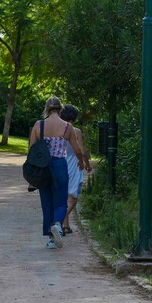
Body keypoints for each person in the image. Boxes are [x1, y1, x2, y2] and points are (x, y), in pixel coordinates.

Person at [29, 96, 84, 249]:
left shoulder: (38, 125)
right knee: (61, 201)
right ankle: (58, 224)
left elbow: (31, 150)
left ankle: (52, 238)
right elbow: (77, 149)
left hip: (43, 168)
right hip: (60, 165)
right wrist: (80, 161)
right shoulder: (67, 127)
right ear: (61, 109)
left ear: (47, 108)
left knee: (47, 202)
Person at [60, 105, 92, 234]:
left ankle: (65, 226)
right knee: (73, 197)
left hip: (61, 162)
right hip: (74, 163)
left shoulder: (58, 129)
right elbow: (81, 151)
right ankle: (59, 220)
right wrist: (87, 164)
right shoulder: (76, 131)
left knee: (63, 196)